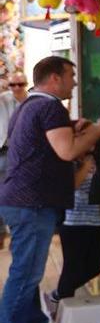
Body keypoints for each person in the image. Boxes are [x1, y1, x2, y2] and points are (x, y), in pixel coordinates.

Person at [0, 56, 100, 323]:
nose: (74, 82)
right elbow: (67, 151)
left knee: (28, 273)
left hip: (23, 201)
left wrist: (75, 127)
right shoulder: (49, 106)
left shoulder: (30, 105)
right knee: (25, 275)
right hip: (31, 204)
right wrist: (98, 131)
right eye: (70, 76)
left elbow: (50, 144)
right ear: (54, 78)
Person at [42, 149, 100, 318]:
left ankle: (57, 297)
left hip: (94, 222)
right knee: (72, 270)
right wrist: (86, 166)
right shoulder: (68, 161)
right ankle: (61, 311)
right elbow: (71, 186)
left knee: (94, 266)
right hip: (73, 224)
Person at [0, 72, 29, 249]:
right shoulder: (4, 99)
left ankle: (17, 233)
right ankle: (4, 232)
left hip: (23, 153)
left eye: (20, 84)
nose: (17, 88)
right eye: (13, 85)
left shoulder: (31, 101)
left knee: (18, 194)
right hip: (4, 151)